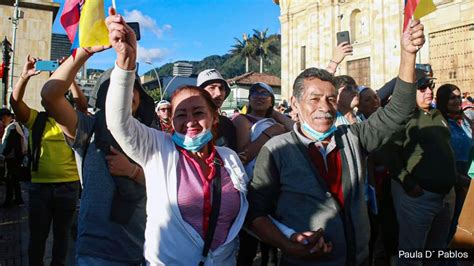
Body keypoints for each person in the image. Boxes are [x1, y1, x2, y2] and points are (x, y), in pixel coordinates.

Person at [246, 19, 425, 265]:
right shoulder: (277, 150)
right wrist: (288, 244)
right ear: (295, 103)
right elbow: (256, 213)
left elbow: (399, 110)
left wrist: (408, 54)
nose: (324, 107)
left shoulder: (353, 137)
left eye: (331, 99)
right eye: (314, 98)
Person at [104, 9, 248, 265]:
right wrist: (126, 62)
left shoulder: (230, 159)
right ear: (170, 120)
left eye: (198, 112)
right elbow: (118, 121)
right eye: (181, 114)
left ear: (215, 117)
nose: (190, 120)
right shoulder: (158, 149)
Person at [40, 45, 153, 265]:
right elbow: (50, 96)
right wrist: (84, 52)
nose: (126, 93)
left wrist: (133, 172)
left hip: (143, 250)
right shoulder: (88, 129)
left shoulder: (151, 136)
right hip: (96, 253)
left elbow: (166, 183)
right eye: (118, 86)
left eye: (132, 87)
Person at [10, 55, 81, 266]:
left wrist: (71, 75)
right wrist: (24, 76)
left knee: (62, 238)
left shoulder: (74, 121)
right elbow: (15, 103)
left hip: (68, 187)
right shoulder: (36, 119)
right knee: (37, 238)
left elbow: (82, 104)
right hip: (40, 188)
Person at [384, 72, 456, 266]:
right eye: (422, 88)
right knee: (412, 253)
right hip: (418, 198)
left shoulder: (436, 114)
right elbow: (390, 154)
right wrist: (409, 184)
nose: (429, 91)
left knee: (436, 250)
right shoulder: (403, 118)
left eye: (430, 86)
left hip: (444, 198)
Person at [232, 82, 292, 266]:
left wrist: (274, 113)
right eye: (254, 93)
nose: (259, 96)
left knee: (273, 242)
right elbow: (244, 155)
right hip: (254, 185)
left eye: (265, 93)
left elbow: (297, 130)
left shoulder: (277, 121)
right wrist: (269, 133)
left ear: (272, 99)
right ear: (249, 99)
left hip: (277, 183)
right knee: (249, 243)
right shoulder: (243, 120)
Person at [435, 83, 472, 243]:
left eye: (459, 97)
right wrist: (457, 177)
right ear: (443, 100)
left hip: (468, 176)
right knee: (450, 224)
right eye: (452, 98)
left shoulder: (465, 121)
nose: (457, 101)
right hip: (451, 178)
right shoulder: (440, 122)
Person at [197, 69, 237, 151]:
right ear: (200, 92)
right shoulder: (190, 123)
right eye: (212, 88)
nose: (218, 93)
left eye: (221, 88)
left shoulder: (227, 124)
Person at [0, 108, 25, 207]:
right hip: (15, 157)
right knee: (14, 179)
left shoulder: (12, 128)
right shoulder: (16, 126)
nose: (2, 120)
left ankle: (9, 200)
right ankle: (18, 199)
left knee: (9, 179)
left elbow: (10, 144)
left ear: (7, 116)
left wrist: (3, 154)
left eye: (2, 117)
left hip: (12, 158)